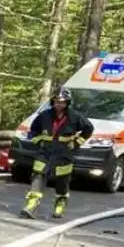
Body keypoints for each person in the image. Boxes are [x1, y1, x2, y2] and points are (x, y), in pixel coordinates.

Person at [20, 89, 93, 220]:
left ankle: (60, 202)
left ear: (67, 103)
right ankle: (31, 204)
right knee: (38, 174)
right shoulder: (44, 115)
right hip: (45, 151)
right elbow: (33, 130)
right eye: (56, 101)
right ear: (52, 101)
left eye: (62, 102)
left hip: (64, 152)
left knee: (62, 180)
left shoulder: (75, 116)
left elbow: (89, 129)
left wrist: (76, 143)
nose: (59, 104)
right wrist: (38, 141)